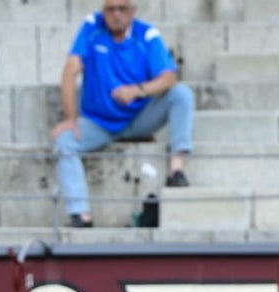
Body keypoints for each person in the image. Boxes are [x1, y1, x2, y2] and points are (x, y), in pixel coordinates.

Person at [51, 3, 194, 228]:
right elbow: (70, 69)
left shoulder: (146, 34)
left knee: (182, 95)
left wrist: (137, 90)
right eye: (110, 9)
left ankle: (176, 170)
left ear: (133, 10)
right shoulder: (91, 26)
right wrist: (70, 118)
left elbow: (169, 77)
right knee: (64, 140)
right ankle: (81, 214)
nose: (116, 14)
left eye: (122, 8)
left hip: (139, 118)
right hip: (99, 123)